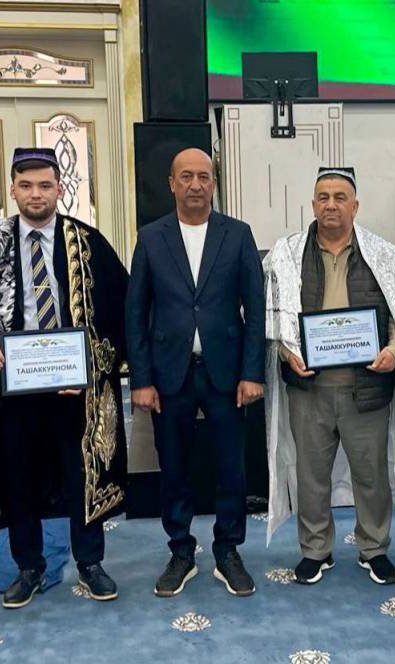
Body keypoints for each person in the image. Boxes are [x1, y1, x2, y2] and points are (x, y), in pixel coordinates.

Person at [0, 148, 128, 608]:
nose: (36, 194)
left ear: (60, 189)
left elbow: (121, 310)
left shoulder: (88, 243)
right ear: (13, 191)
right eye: (26, 186)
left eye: (45, 186)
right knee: (18, 475)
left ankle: (90, 561)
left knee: (81, 473)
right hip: (13, 389)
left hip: (74, 389)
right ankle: (29, 566)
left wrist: (91, 367)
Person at [264, 167, 395, 586]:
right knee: (311, 476)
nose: (330, 204)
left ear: (355, 206)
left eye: (339, 197)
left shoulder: (383, 254)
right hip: (309, 388)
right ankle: (315, 550)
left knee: (371, 476)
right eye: (323, 197)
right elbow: (274, 319)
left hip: (365, 386)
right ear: (313, 204)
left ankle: (374, 548)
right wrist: (287, 353)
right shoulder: (287, 255)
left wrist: (394, 351)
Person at [126, 147, 265, 598]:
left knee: (231, 466)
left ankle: (228, 550)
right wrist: (141, 379)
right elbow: (135, 313)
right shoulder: (151, 238)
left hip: (226, 373)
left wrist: (252, 372)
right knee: (174, 466)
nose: (195, 185)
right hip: (170, 373)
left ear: (214, 184)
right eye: (186, 176)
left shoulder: (238, 234)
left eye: (204, 176)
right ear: (171, 183)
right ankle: (181, 551)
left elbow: (256, 310)